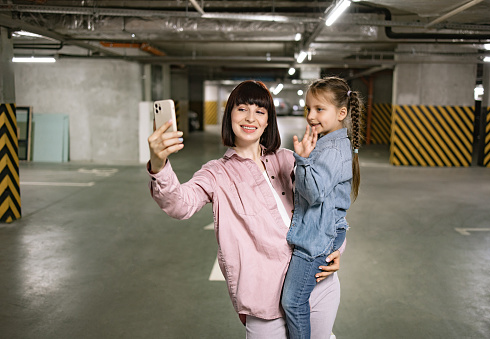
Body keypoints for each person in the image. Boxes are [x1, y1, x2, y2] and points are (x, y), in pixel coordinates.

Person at [147, 80, 344, 338]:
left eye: (260, 112)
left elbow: (326, 205)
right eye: (242, 109)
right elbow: (179, 204)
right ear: (229, 115)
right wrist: (159, 163)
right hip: (265, 301)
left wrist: (337, 249)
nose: (250, 117)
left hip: (316, 282)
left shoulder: (286, 159)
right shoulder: (216, 173)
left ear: (267, 121)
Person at [281, 77, 363, 339]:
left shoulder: (333, 150)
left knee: (293, 302)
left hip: (318, 236)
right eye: (308, 109)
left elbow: (314, 194)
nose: (311, 115)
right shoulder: (328, 142)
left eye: (319, 109)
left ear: (341, 113)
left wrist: (303, 161)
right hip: (322, 229)